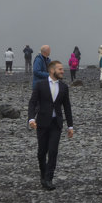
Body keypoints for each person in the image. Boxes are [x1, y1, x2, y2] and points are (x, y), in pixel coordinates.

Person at [28, 60, 74, 190]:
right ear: (52, 70)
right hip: (42, 123)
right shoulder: (40, 85)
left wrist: (70, 126)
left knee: (53, 151)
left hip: (56, 123)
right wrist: (31, 119)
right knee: (41, 152)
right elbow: (32, 103)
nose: (62, 71)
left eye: (62, 69)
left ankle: (49, 179)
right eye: (60, 69)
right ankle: (43, 175)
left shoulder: (64, 87)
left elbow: (67, 107)